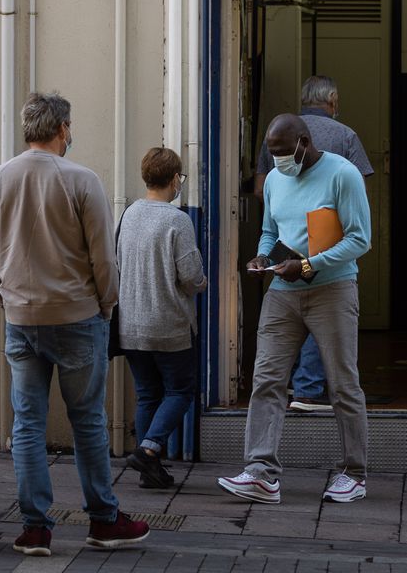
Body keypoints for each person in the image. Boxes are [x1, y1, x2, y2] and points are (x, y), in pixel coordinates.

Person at [0, 91, 149, 557]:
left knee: (28, 423)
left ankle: (35, 528)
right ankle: (103, 519)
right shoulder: (82, 180)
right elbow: (103, 258)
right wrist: (106, 307)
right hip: (77, 316)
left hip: (21, 319)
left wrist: (4, 299)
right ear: (63, 129)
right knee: (88, 421)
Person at [218, 114, 372, 505]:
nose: (279, 161)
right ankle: (260, 472)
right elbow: (271, 229)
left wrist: (307, 265)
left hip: (333, 290)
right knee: (267, 379)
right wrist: (262, 255)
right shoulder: (273, 179)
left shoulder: (343, 174)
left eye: (285, 153)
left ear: (305, 142)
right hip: (282, 290)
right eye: (273, 155)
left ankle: (354, 473)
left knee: (342, 384)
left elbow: (360, 239)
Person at [254, 76, 374, 412]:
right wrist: (264, 255)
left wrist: (298, 255)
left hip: (325, 273)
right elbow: (359, 199)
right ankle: (308, 387)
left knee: (281, 375)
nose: (280, 160)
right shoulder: (345, 136)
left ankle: (304, 389)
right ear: (333, 100)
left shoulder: (277, 135)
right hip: (305, 269)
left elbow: (259, 190)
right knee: (272, 374)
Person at [117, 147, 207, 489]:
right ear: (174, 179)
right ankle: (149, 449)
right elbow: (189, 275)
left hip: (132, 323)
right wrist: (201, 282)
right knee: (181, 391)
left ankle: (150, 472)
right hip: (169, 325)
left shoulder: (129, 214)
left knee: (147, 395)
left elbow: (119, 262)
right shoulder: (177, 220)